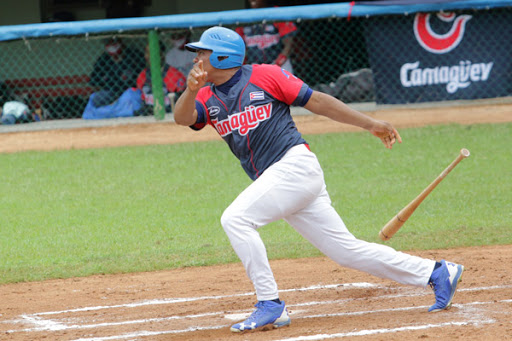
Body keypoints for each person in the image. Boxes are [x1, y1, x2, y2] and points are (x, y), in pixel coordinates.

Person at [174, 26, 464, 333]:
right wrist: (191, 90)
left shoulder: (265, 75)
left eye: (202, 52)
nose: (196, 58)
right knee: (345, 251)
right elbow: (183, 118)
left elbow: (319, 102)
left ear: (221, 57)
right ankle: (436, 272)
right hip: (282, 180)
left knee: (235, 219)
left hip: (295, 167)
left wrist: (370, 124)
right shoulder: (205, 94)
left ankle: (270, 304)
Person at [236, 0, 297, 73]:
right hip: (254, 65)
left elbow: (288, 44)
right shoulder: (244, 17)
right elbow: (240, 46)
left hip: (279, 63)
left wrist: (278, 63)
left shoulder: (277, 12)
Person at [89, 38, 145, 107]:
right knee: (97, 98)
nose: (112, 45)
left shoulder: (134, 56)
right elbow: (94, 82)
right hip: (110, 93)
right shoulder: (103, 60)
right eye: (109, 42)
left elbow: (142, 75)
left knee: (132, 95)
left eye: (114, 42)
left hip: (129, 92)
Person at [136, 41, 186, 115]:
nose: (148, 56)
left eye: (152, 52)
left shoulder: (175, 75)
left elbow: (182, 100)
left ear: (162, 54)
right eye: (147, 52)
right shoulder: (142, 76)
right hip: (147, 115)